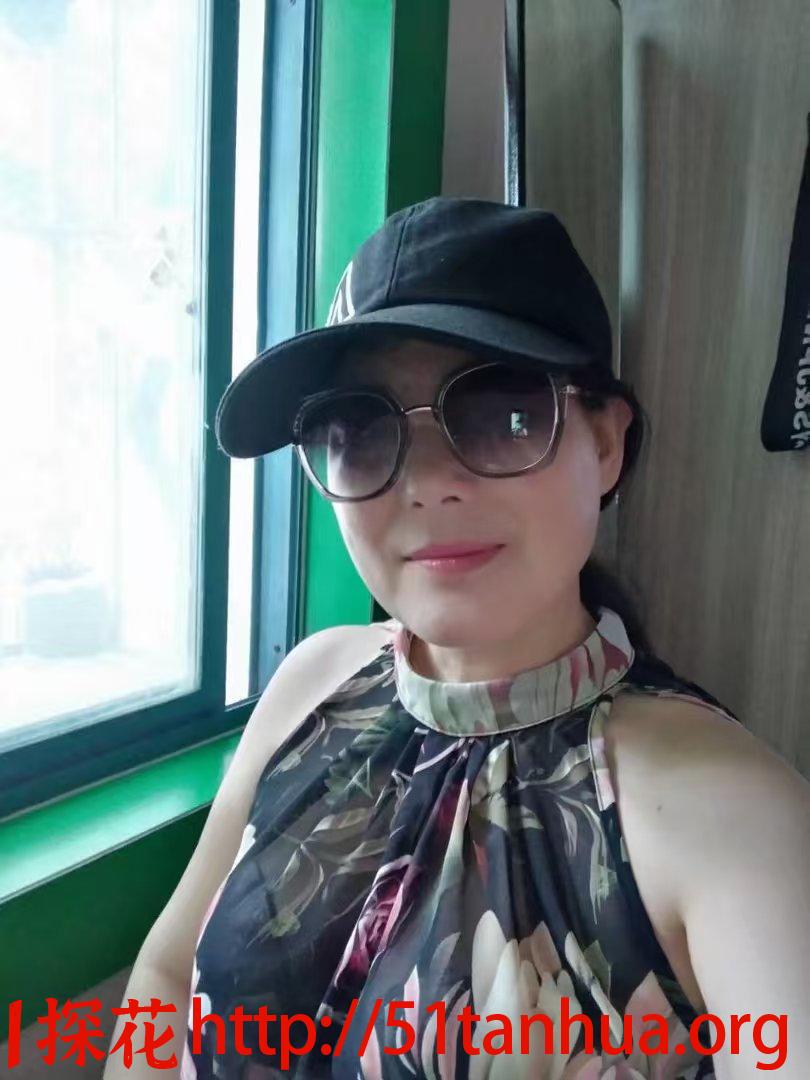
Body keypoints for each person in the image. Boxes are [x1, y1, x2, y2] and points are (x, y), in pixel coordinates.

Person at [170, 198, 807, 1078]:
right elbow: (164, 980)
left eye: (503, 412)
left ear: (607, 443)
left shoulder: (728, 813)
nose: (427, 484)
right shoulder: (312, 683)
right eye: (359, 430)